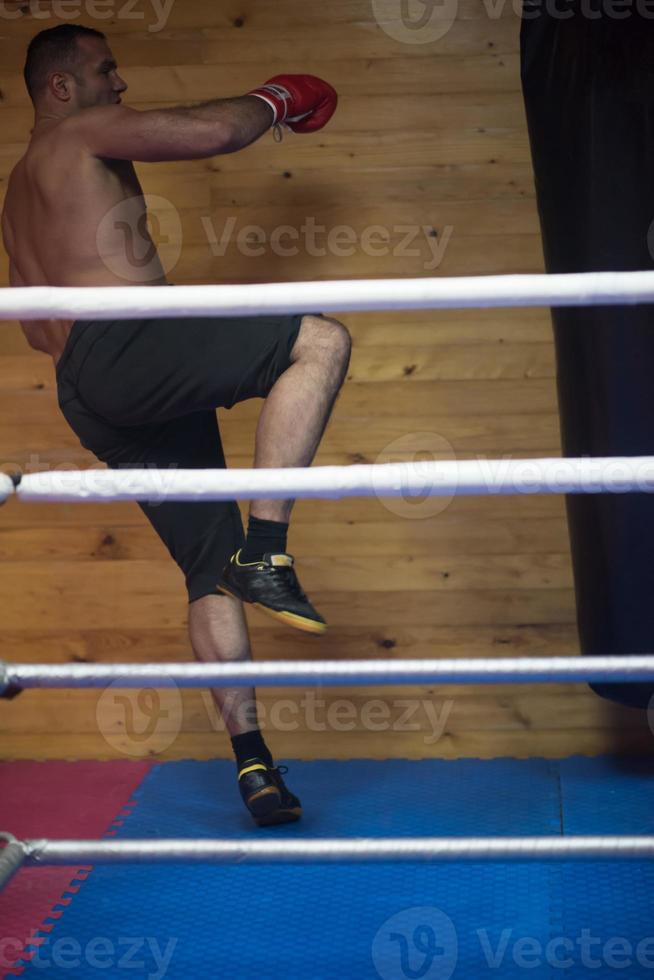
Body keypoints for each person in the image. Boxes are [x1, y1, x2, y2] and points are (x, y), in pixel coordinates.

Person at [1, 24, 351, 827]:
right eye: (104, 70)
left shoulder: (18, 189)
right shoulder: (78, 132)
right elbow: (213, 132)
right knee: (320, 341)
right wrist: (277, 100)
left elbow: (31, 327)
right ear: (61, 88)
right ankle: (269, 551)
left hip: (85, 391)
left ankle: (254, 764)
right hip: (124, 346)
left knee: (206, 569)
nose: (118, 84)